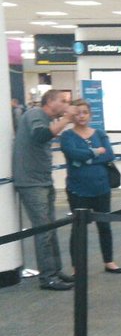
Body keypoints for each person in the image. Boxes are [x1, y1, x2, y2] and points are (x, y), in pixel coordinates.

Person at [12, 89, 76, 291]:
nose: (66, 104)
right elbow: (40, 135)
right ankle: (47, 276)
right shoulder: (35, 114)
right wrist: (66, 119)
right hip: (32, 183)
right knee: (44, 231)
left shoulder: (45, 118)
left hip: (42, 180)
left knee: (49, 229)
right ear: (49, 101)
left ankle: (54, 270)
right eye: (62, 101)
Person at [59, 100, 121, 274]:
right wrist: (95, 152)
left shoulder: (100, 134)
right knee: (78, 229)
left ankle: (109, 261)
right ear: (72, 115)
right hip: (78, 189)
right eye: (77, 113)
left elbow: (109, 154)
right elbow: (72, 154)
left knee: (104, 226)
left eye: (85, 112)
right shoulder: (67, 136)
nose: (81, 116)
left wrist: (84, 159)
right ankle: (76, 266)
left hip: (101, 187)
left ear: (90, 114)